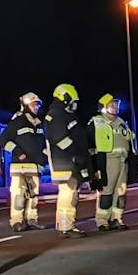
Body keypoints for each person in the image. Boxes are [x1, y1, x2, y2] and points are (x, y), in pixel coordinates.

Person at [45, 83, 91, 237]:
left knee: (70, 193)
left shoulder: (63, 114)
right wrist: (76, 153)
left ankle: (65, 226)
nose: (74, 105)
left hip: (67, 161)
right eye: (73, 101)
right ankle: (66, 227)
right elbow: (61, 140)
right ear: (65, 98)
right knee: (68, 194)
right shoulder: (58, 116)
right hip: (64, 162)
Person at [0, 92, 48, 231]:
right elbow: (3, 140)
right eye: (34, 104)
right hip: (19, 166)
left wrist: (43, 158)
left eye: (38, 105)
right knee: (18, 195)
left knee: (33, 196)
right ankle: (17, 221)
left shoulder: (39, 124)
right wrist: (17, 152)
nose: (36, 107)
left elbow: (44, 144)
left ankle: (32, 219)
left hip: (35, 166)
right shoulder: (18, 121)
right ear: (26, 105)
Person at [89, 93, 137, 230]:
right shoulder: (97, 121)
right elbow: (90, 143)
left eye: (116, 105)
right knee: (106, 191)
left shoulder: (121, 121)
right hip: (107, 161)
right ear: (103, 107)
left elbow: (129, 139)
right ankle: (102, 221)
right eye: (112, 105)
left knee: (121, 192)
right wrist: (94, 164)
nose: (115, 107)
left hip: (123, 161)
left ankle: (117, 218)